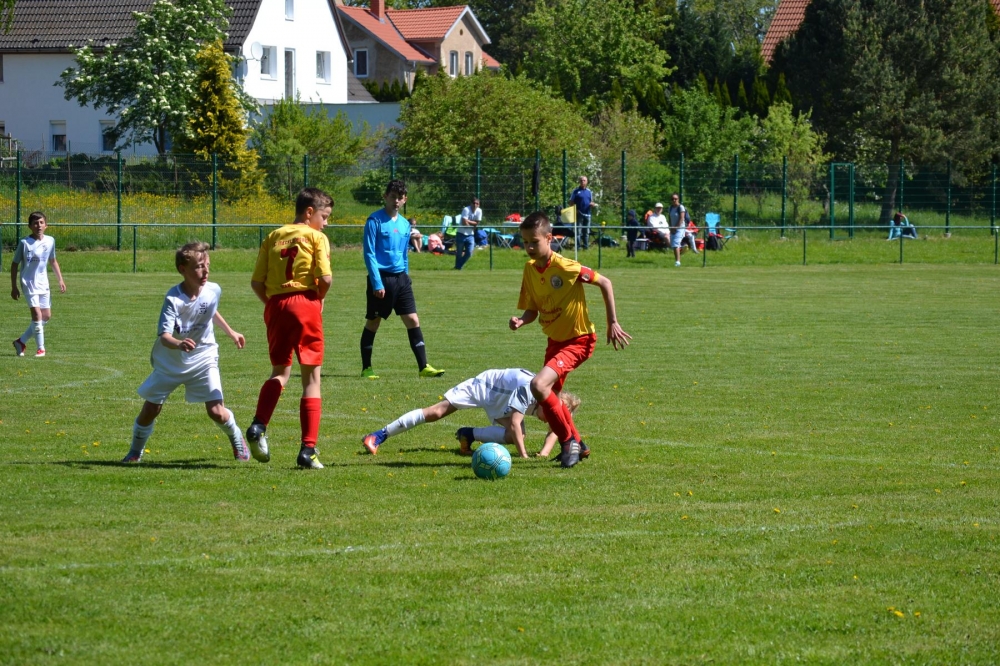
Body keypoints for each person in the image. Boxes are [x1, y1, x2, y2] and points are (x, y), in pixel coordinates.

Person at [509, 211, 632, 468]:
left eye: (534, 241)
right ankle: (579, 444)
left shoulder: (566, 267)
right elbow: (532, 309)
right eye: (525, 242)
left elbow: (605, 282)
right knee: (548, 400)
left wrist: (612, 322)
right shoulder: (530, 269)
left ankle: (567, 442)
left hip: (579, 340)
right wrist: (521, 320)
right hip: (555, 342)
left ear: (549, 238)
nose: (529, 247)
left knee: (538, 385)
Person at [121, 242, 247, 463]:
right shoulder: (173, 299)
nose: (205, 271)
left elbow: (210, 310)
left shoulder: (214, 289)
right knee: (151, 410)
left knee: (216, 411)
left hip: (204, 356)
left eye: (207, 265)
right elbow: (164, 336)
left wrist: (231, 332)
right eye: (199, 266)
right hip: (172, 361)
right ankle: (135, 452)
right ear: (183, 269)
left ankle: (236, 437)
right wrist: (179, 344)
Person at [246, 188, 333, 470]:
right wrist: (318, 300)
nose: (325, 223)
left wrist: (274, 305)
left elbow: (256, 282)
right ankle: (308, 449)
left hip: (276, 306)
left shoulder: (273, 236)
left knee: (279, 372)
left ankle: (258, 425)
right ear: (309, 212)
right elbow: (325, 278)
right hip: (305, 304)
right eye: (324, 216)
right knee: (311, 379)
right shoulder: (316, 237)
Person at [361, 368, 583, 460]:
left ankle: (468, 434)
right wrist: (523, 456)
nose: (548, 422)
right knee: (437, 412)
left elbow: (557, 430)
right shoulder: (532, 389)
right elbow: (516, 422)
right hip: (486, 385)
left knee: (515, 436)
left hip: (502, 399)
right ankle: (378, 435)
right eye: (550, 418)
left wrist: (544, 453)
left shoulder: (550, 401)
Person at [360, 179, 445, 380]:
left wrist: (406, 275)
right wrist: (377, 282)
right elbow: (369, 253)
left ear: (405, 199)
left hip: (401, 279)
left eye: (400, 197)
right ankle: (366, 368)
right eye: (393, 197)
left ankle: (423, 367)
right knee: (374, 322)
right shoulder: (374, 220)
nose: (396, 201)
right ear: (385, 197)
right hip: (381, 279)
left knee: (413, 319)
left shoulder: (406, 224)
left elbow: (404, 253)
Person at [10, 211, 66, 358]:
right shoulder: (24, 243)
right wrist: (14, 286)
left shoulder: (50, 241)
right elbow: (14, 264)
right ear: (30, 226)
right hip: (28, 283)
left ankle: (21, 341)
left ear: (46, 225)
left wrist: (60, 280)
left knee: (46, 316)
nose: (39, 226)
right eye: (35, 223)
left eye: (41, 223)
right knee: (37, 314)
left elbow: (53, 261)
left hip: (43, 283)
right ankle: (41, 349)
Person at [569, 176, 598, 250]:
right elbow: (571, 202)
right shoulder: (575, 191)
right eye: (581, 180)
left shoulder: (589, 192)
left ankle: (586, 247)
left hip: (588, 214)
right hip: (579, 213)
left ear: (587, 182)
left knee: (586, 232)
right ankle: (578, 247)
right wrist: (576, 210)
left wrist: (592, 204)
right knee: (578, 231)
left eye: (584, 180)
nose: (583, 182)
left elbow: (591, 201)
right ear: (579, 182)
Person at [455, 197, 481, 269]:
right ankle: (458, 268)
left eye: (477, 203)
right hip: (461, 233)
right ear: (471, 203)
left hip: (470, 235)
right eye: (474, 203)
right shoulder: (466, 209)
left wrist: (468, 221)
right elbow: (464, 223)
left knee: (469, 253)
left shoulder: (479, 211)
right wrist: (472, 225)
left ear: (479, 205)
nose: (475, 205)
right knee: (459, 253)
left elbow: (477, 222)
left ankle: (458, 266)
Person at [667, 193, 687, 266]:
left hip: (680, 228)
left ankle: (678, 262)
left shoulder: (681, 207)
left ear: (678, 199)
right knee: (674, 245)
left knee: (675, 244)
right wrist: (670, 227)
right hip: (672, 228)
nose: (674, 200)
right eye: (672, 199)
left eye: (675, 199)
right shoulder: (670, 208)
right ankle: (682, 248)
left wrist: (676, 227)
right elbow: (669, 218)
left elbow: (681, 218)